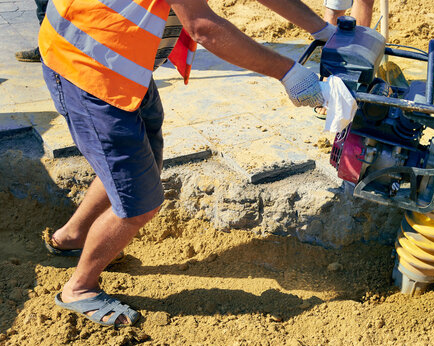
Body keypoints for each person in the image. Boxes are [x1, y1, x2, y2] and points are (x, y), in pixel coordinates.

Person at [40, 0, 336, 327]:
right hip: (87, 67)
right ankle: (78, 289)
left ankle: (72, 238)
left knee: (138, 164)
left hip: (116, 61)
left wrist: (322, 29)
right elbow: (202, 26)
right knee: (140, 201)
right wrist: (288, 72)